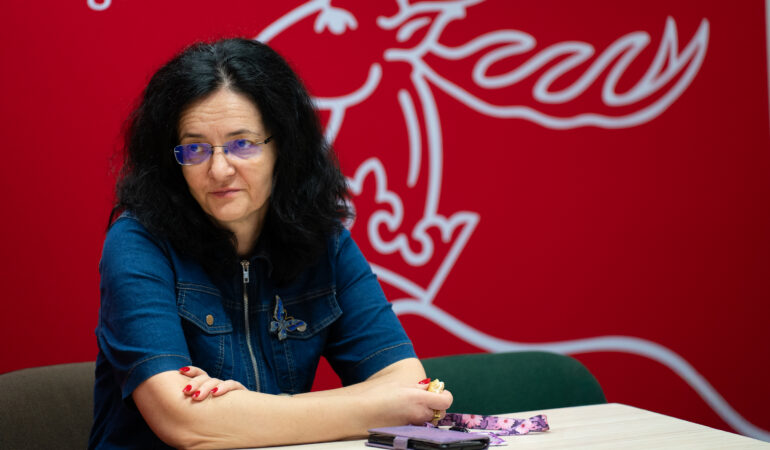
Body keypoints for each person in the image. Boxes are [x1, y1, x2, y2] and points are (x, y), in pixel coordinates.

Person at [89, 37, 453, 449]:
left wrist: (240, 411)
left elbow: (409, 386)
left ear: (283, 146)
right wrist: (377, 408)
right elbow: (185, 424)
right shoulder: (138, 242)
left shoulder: (324, 240)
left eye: (242, 144)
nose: (219, 169)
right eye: (195, 148)